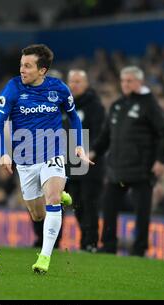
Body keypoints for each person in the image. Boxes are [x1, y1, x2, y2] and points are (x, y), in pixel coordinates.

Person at [0, 44, 93, 274]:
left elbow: (74, 117)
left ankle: (45, 257)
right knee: (37, 215)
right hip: (25, 161)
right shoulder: (13, 88)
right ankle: (60, 195)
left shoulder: (59, 89)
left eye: (28, 66)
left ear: (42, 70)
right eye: (21, 65)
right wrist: (3, 153)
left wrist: (78, 145)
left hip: (53, 154)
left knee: (53, 199)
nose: (22, 70)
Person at [90, 66, 164, 256]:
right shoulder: (117, 106)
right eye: (123, 80)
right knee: (108, 206)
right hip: (117, 169)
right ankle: (109, 245)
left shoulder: (149, 105)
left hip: (141, 169)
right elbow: (105, 136)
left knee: (142, 211)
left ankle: (139, 248)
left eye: (129, 81)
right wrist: (93, 151)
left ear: (139, 82)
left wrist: (161, 160)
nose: (125, 84)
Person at [66, 69, 106, 252]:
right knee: (77, 205)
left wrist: (92, 152)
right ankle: (85, 241)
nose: (74, 85)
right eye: (71, 81)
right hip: (70, 165)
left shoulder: (95, 106)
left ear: (86, 84)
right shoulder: (65, 106)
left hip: (90, 165)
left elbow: (101, 133)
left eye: (78, 81)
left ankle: (90, 242)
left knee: (89, 204)